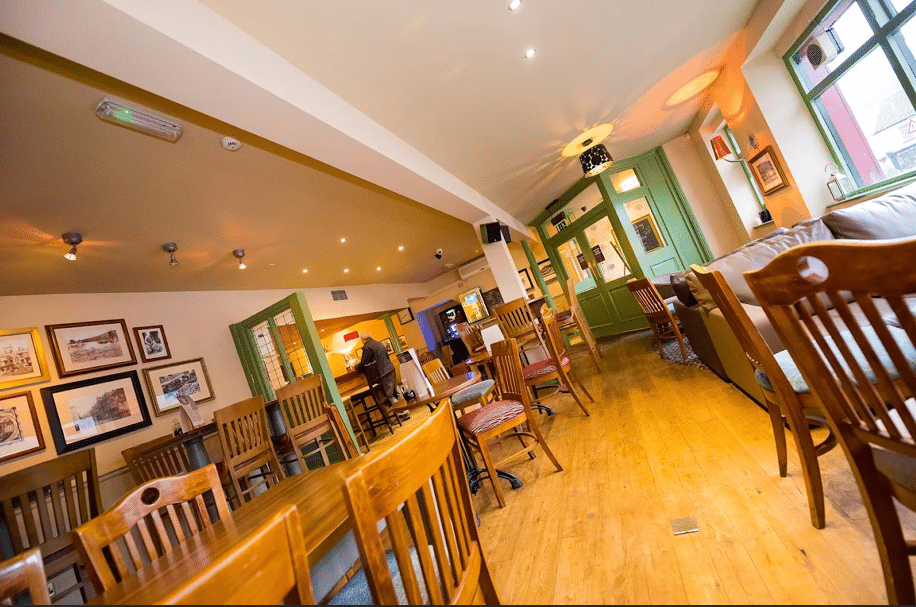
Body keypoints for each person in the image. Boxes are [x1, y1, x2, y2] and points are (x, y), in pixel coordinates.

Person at [355, 332, 410, 422]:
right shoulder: (378, 343)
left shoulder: (367, 347)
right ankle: (406, 411)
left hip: (383, 373)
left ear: (362, 339)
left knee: (390, 395)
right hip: (390, 369)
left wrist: (356, 366)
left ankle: (403, 414)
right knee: (397, 392)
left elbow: (363, 363)